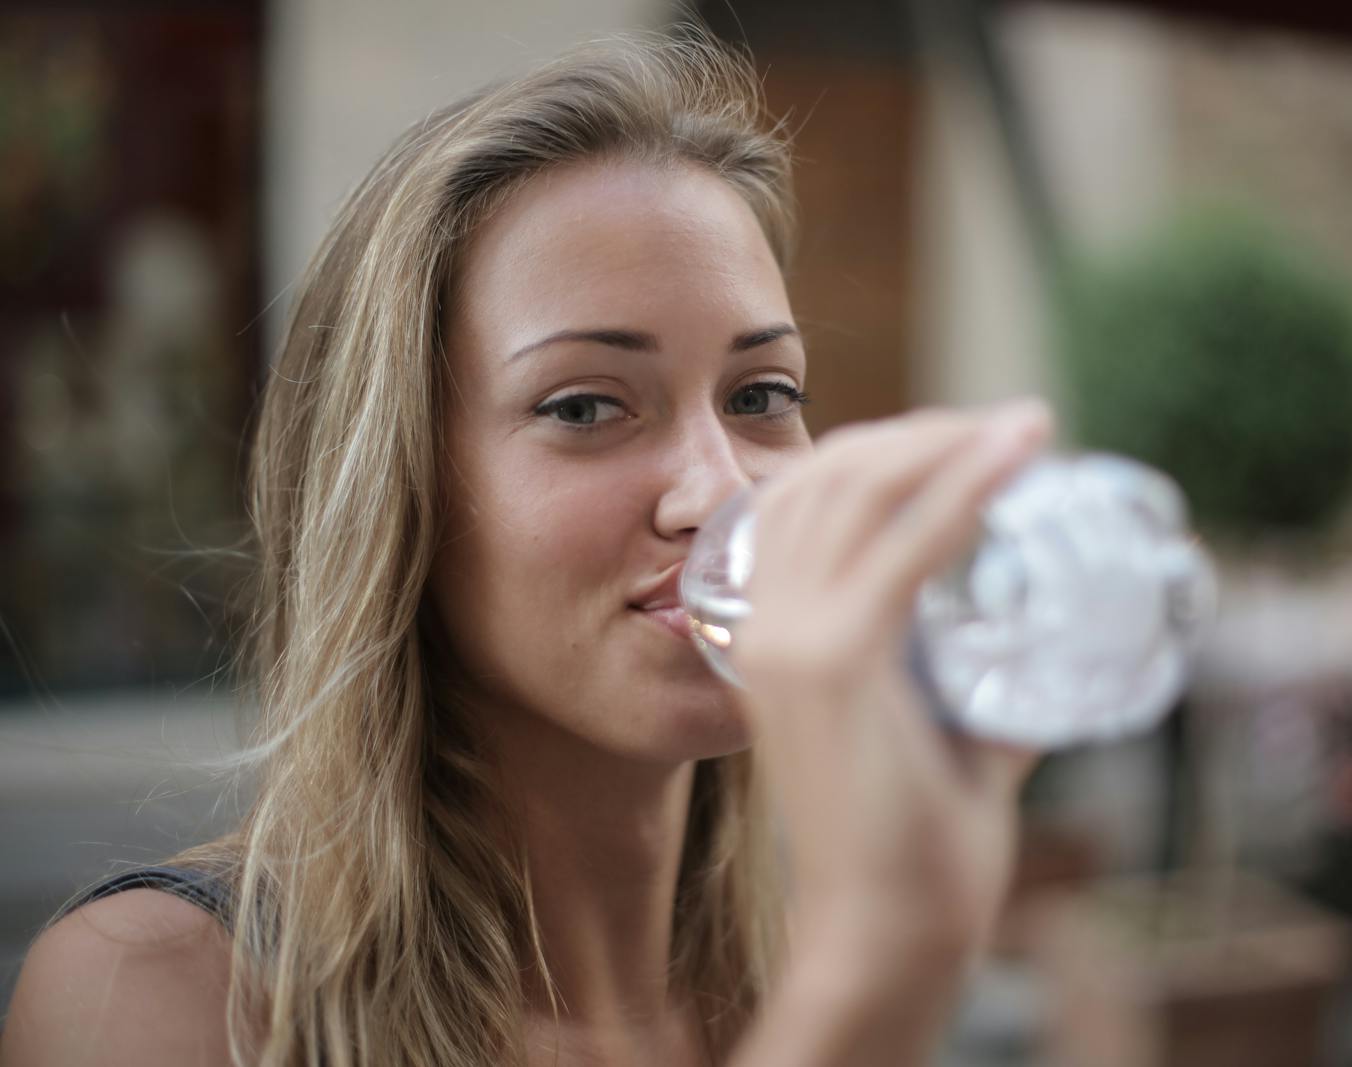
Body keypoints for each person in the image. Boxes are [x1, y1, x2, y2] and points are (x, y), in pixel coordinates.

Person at [0, 30, 1050, 1067]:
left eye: (760, 394)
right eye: (587, 405)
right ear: (401, 491)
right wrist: (873, 977)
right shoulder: (164, 993)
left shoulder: (786, 975)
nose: (722, 489)